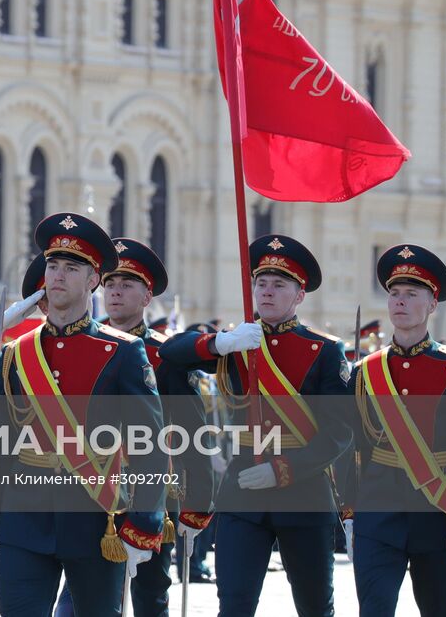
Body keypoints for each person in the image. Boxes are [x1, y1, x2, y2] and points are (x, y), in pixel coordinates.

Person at [0, 214, 166, 617]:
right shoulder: (14, 353)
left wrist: (144, 523)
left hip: (96, 516)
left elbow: (150, 444)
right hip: (23, 516)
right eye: (52, 266)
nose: (57, 275)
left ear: (93, 280)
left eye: (71, 268)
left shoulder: (123, 351)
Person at [158, 235, 352, 617]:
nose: (267, 291)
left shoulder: (325, 351)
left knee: (315, 606)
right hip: (242, 492)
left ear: (299, 295)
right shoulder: (237, 341)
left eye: (279, 284)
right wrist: (219, 344)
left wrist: (282, 470)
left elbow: (338, 432)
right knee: (234, 605)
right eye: (261, 283)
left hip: (304, 493)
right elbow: (169, 354)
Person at [345, 243, 446, 616]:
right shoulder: (366, 371)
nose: (400, 302)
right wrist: (349, 510)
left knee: (439, 610)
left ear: (432, 304)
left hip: (439, 513)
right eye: (394, 294)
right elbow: (354, 447)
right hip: (377, 512)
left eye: (411, 295)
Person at [100, 237, 215, 617]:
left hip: (149, 492)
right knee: (90, 596)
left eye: (127, 285)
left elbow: (192, 431)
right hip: (92, 483)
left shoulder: (165, 356)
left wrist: (197, 503)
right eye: (110, 284)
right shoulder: (88, 344)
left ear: (147, 296)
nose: (115, 292)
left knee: (151, 597)